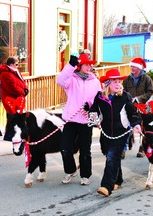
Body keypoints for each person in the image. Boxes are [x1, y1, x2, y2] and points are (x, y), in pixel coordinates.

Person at [88, 68, 141, 197]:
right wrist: (94, 120)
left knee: (112, 157)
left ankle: (106, 186)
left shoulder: (124, 97)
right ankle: (118, 179)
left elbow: (133, 113)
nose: (118, 84)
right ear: (107, 84)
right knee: (110, 155)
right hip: (106, 133)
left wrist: (136, 124)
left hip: (121, 132)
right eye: (114, 82)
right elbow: (94, 110)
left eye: (119, 81)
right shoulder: (100, 97)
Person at [57, 53, 101, 185]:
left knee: (85, 150)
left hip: (86, 120)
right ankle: (70, 170)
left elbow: (99, 99)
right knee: (65, 147)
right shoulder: (71, 79)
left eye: (90, 65)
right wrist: (70, 65)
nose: (89, 67)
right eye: (86, 64)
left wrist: (91, 105)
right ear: (80, 65)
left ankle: (85, 175)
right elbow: (60, 80)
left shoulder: (95, 81)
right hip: (71, 119)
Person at [123, 57, 153, 158]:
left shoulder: (147, 79)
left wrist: (138, 99)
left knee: (143, 127)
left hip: (143, 107)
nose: (132, 68)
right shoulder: (127, 79)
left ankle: (142, 148)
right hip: (130, 106)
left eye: (134, 67)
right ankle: (123, 149)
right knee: (126, 127)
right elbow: (123, 91)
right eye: (131, 66)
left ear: (139, 68)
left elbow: (150, 92)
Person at [0, 56, 29, 141]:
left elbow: (22, 81)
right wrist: (23, 92)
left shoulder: (15, 71)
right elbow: (11, 88)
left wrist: (25, 89)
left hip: (18, 97)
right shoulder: (5, 74)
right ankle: (10, 136)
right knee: (13, 117)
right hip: (10, 98)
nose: (17, 66)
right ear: (11, 64)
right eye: (16, 64)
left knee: (17, 117)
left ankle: (14, 135)